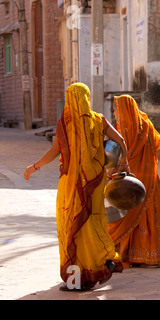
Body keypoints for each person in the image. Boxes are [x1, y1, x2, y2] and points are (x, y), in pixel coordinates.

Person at [23, 83, 129, 291]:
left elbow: (54, 151)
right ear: (87, 98)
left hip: (70, 185)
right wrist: (124, 163)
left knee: (71, 226)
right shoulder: (99, 120)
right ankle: (100, 263)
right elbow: (121, 141)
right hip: (95, 182)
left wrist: (34, 167)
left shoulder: (65, 124)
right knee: (93, 224)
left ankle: (80, 276)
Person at [107, 94, 160, 268]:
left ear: (123, 110)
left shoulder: (122, 130)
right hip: (149, 179)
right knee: (148, 214)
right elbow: (155, 148)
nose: (114, 112)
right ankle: (150, 255)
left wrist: (108, 175)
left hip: (128, 181)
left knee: (125, 215)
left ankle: (129, 253)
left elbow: (116, 156)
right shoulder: (147, 125)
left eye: (116, 109)